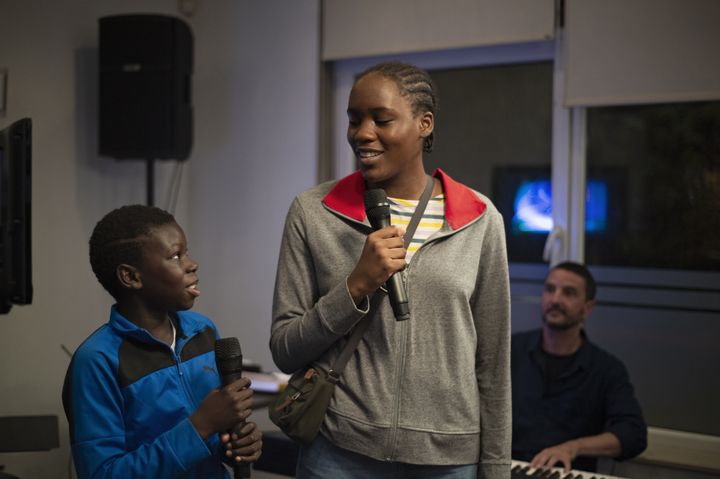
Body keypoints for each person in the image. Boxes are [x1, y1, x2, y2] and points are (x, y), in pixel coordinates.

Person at [271, 61, 511, 479]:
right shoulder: (313, 213)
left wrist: (495, 471)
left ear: (424, 123)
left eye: (381, 119)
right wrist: (354, 287)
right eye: (354, 120)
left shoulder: (479, 218)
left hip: (447, 460)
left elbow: (492, 366)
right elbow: (285, 348)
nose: (363, 133)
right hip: (339, 452)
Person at [62, 205, 262, 479]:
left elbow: (211, 439)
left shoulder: (203, 330)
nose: (192, 263)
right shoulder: (97, 361)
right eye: (176, 256)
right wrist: (200, 426)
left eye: (187, 252)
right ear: (131, 276)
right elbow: (103, 474)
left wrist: (231, 444)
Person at [511, 261, 647, 473]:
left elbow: (633, 434)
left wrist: (573, 447)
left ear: (587, 307)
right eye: (550, 289)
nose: (555, 299)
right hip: (511, 469)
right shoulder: (511, 352)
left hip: (567, 472)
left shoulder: (607, 369)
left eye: (569, 293)